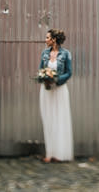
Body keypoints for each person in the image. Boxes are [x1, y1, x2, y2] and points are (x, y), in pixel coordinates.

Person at [39, 28, 73, 162]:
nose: (45, 40)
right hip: (46, 90)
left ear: (54, 40)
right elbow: (41, 69)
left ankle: (60, 154)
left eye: (47, 38)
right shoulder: (44, 53)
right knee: (48, 120)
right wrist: (44, 79)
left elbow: (69, 72)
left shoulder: (66, 54)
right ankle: (50, 153)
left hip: (59, 90)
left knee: (59, 120)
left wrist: (56, 79)